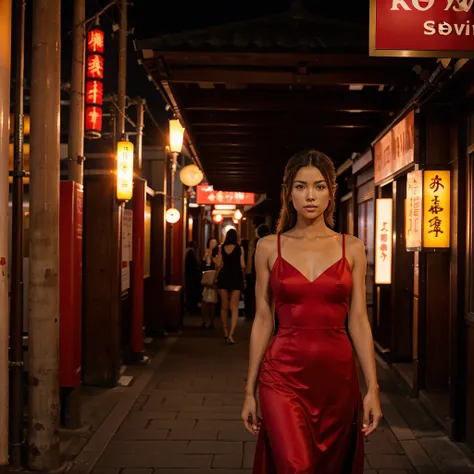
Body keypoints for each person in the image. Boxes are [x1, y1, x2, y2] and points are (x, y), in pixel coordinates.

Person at [242, 149, 382, 473]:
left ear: (331, 192)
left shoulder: (353, 247)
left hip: (337, 378)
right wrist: (249, 389)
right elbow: (263, 319)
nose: (310, 196)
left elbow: (359, 320)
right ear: (288, 192)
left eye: (319, 187)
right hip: (281, 375)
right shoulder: (268, 247)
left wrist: (372, 388)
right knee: (295, 465)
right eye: (301, 187)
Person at [216, 228, 245, 345]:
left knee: (224, 307)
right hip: (236, 277)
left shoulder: (221, 248)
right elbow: (242, 265)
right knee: (234, 307)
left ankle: (225, 331)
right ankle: (231, 335)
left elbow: (218, 264)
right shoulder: (240, 248)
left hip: (224, 276)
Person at [200, 238, 218, 329]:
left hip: (214, 277)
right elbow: (202, 265)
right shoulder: (206, 252)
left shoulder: (217, 253)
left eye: (215, 242)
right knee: (204, 301)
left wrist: (212, 257)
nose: (213, 244)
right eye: (212, 242)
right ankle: (204, 321)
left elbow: (218, 265)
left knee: (212, 302)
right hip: (206, 277)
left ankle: (212, 321)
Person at [184, 240, 201, 314]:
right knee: (192, 291)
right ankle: (192, 308)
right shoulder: (191, 252)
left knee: (190, 291)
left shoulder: (187, 251)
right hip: (191, 275)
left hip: (188, 275)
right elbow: (193, 264)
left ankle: (190, 306)